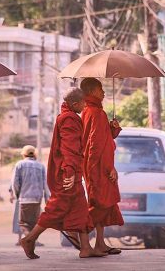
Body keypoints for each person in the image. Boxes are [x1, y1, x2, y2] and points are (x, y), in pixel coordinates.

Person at [20, 88, 107, 259]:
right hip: (67, 173)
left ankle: (85, 248)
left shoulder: (68, 116)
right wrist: (70, 171)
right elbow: (70, 148)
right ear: (75, 104)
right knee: (55, 208)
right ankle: (30, 239)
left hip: (71, 170)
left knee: (81, 209)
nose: (84, 106)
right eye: (83, 103)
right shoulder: (69, 118)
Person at [80, 78, 124, 255]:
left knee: (104, 204)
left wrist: (113, 129)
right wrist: (108, 168)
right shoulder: (96, 113)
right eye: (100, 89)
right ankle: (80, 231)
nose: (103, 92)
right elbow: (95, 146)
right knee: (101, 204)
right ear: (91, 92)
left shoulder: (89, 111)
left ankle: (99, 243)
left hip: (93, 165)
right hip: (98, 166)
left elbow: (102, 139)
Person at [11, 145, 50, 239]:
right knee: (34, 223)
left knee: (23, 223)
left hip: (24, 198)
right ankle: (31, 243)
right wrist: (46, 200)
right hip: (37, 200)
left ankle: (28, 240)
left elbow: (15, 183)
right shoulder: (41, 166)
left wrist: (17, 195)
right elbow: (45, 184)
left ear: (24, 154)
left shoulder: (19, 164)